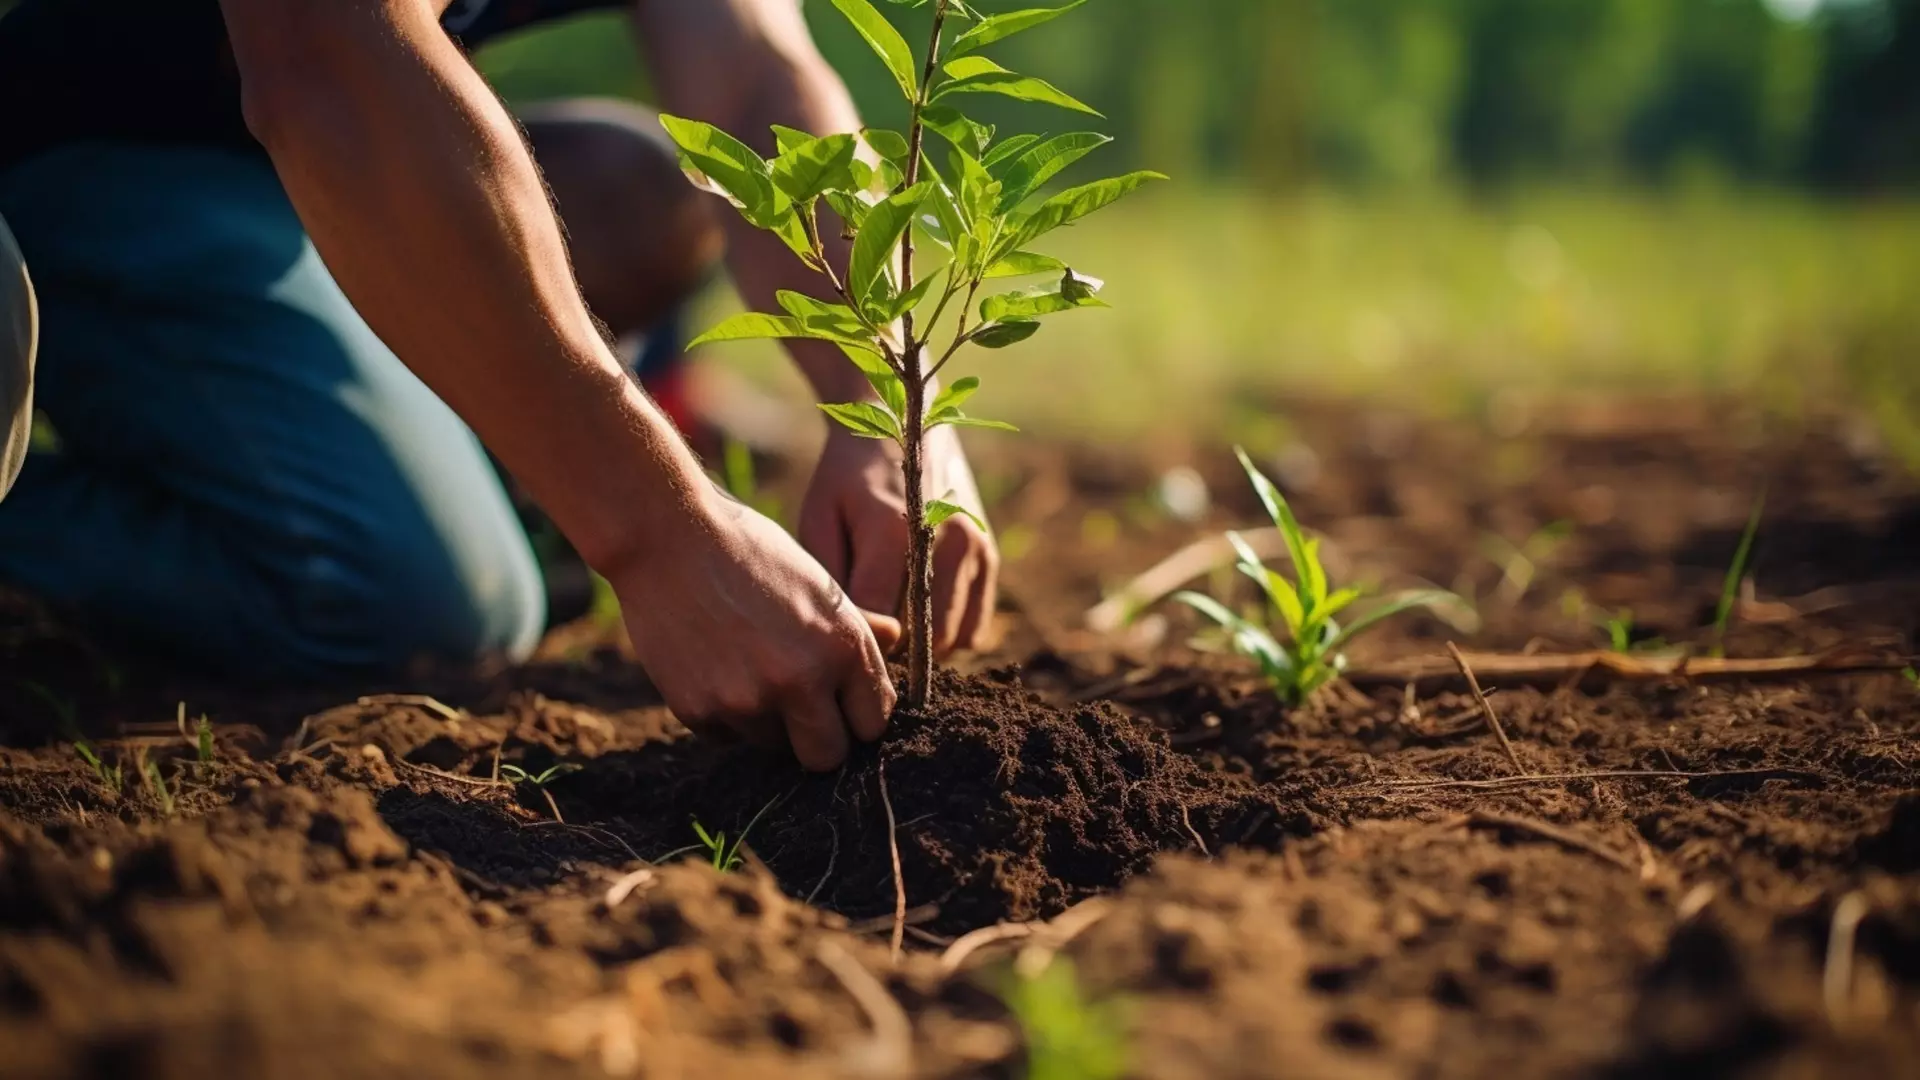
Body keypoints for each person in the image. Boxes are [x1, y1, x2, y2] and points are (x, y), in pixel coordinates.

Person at [0, 0, 1002, 771]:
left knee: (647, 193)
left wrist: (884, 399)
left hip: (301, 159)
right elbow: (325, 68)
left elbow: (753, 79)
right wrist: (657, 532)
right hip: (94, 151)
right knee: (409, 600)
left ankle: (400, 447)